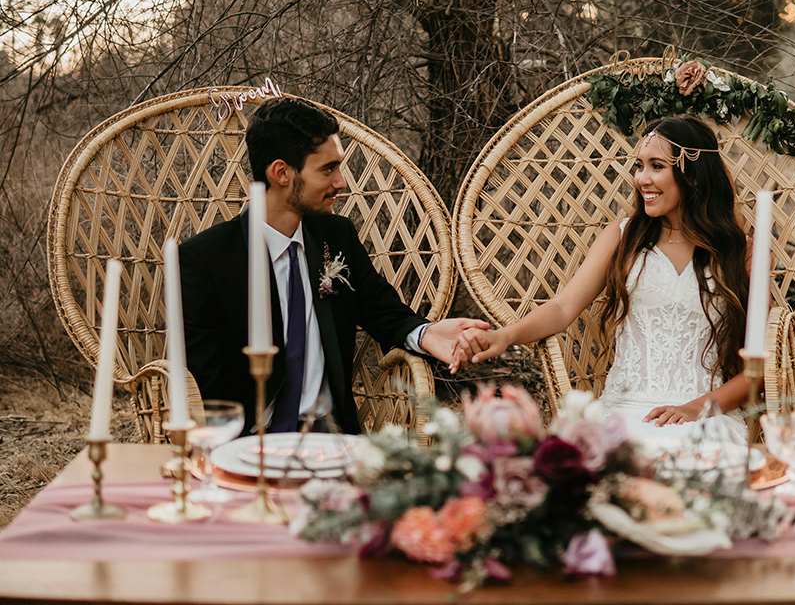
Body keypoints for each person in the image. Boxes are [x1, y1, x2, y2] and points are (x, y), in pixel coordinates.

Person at [179, 97, 488, 434]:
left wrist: (427, 333)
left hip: (332, 437)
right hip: (248, 442)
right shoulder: (205, 261)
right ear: (281, 172)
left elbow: (383, 311)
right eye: (328, 169)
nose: (341, 181)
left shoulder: (336, 237)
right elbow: (205, 386)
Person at [452, 115, 753, 444]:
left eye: (656, 166)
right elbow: (562, 308)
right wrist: (505, 337)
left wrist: (696, 408)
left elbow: (757, 367)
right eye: (639, 166)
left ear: (693, 176)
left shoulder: (739, 251)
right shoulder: (624, 238)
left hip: (706, 415)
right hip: (626, 410)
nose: (642, 179)